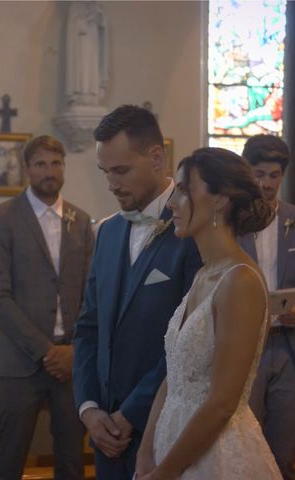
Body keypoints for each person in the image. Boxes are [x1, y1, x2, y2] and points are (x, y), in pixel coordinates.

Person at [135, 147, 282, 479]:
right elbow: (174, 375)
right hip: (170, 445)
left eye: (185, 190)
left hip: (213, 454)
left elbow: (222, 404)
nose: (172, 203)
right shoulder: (204, 274)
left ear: (220, 199)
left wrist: (165, 473)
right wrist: (146, 451)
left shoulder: (240, 280)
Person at [73, 106, 201, 480]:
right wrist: (90, 408)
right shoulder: (108, 233)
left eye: (121, 170)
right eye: (105, 172)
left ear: (157, 157)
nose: (111, 184)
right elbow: (89, 328)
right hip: (106, 434)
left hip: (165, 429)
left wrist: (131, 414)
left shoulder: (193, 230)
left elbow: (191, 341)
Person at [0, 135, 94, 479]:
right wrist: (46, 351)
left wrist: (74, 351)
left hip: (71, 362)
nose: (50, 171)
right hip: (21, 361)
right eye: (41, 164)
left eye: (56, 163)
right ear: (27, 169)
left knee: (72, 460)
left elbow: (92, 293)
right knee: (10, 459)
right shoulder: (2, 218)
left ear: (64, 167)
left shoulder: (82, 220)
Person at [239, 135, 295, 479]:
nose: (266, 183)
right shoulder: (231, 222)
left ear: (283, 175)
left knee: (282, 458)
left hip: (290, 349)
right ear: (247, 172)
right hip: (246, 347)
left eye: (274, 175)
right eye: (258, 174)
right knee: (246, 452)